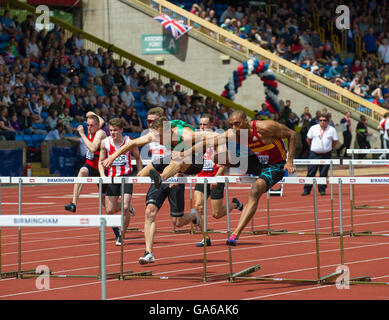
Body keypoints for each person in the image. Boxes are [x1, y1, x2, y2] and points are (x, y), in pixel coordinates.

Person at [136, 107, 200, 264]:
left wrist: (179, 175)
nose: (150, 124)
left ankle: (193, 216)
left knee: (177, 222)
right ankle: (148, 253)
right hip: (158, 176)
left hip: (174, 175)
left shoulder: (175, 132)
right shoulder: (148, 136)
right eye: (148, 121)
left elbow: (185, 157)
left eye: (153, 121)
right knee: (149, 212)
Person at [191, 113, 244, 247]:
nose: (202, 127)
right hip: (202, 177)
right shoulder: (196, 140)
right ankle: (205, 237)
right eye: (200, 124)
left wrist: (216, 178)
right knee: (198, 206)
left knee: (216, 213)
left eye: (205, 124)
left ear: (211, 125)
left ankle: (235, 204)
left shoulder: (218, 139)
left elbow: (224, 161)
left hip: (216, 177)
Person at [98, 118, 142, 246]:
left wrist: (139, 174)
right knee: (109, 210)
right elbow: (101, 162)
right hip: (112, 178)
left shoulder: (129, 142)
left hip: (126, 176)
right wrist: (103, 176)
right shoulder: (105, 142)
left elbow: (138, 159)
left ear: (121, 130)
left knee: (125, 207)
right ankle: (128, 207)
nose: (112, 133)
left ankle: (122, 235)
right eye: (110, 130)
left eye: (115, 130)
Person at [65, 112, 106, 212]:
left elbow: (92, 148)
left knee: (107, 205)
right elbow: (100, 120)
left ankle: (116, 223)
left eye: (91, 125)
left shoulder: (100, 133)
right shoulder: (91, 129)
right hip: (90, 165)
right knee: (82, 171)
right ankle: (74, 203)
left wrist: (82, 134)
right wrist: (92, 113)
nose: (89, 128)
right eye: (87, 125)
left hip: (101, 168)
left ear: (97, 126)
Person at [301, 113, 338, 196]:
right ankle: (307, 190)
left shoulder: (331, 129)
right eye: (320, 120)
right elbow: (308, 139)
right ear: (318, 121)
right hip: (314, 154)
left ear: (327, 121)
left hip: (326, 154)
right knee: (311, 172)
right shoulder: (313, 128)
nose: (322, 122)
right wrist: (313, 147)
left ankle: (322, 189)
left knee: (323, 173)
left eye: (324, 120)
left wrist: (329, 148)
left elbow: (335, 141)